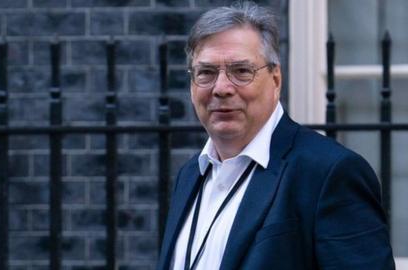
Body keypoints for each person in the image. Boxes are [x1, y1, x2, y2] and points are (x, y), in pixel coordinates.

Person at [157, 1, 395, 270]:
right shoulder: (190, 176)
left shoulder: (328, 173)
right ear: (191, 84)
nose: (221, 88)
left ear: (276, 79)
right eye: (206, 73)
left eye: (241, 71)